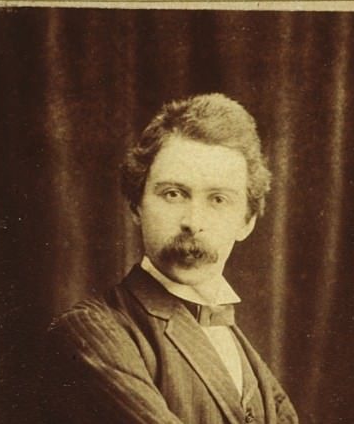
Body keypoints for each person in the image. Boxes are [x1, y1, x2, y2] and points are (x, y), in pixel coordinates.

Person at [40, 93, 298, 424]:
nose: (193, 221)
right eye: (173, 194)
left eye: (218, 199)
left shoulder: (239, 345)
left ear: (246, 222)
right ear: (136, 206)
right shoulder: (90, 331)